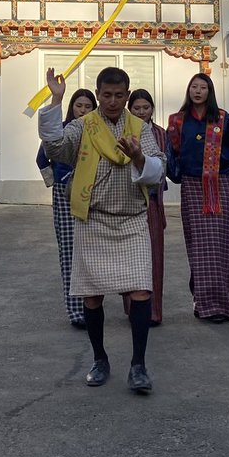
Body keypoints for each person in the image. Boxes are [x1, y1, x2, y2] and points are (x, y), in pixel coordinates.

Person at [38, 66, 165, 394]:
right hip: (92, 220)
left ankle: (138, 365)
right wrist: (56, 99)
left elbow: (159, 169)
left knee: (141, 292)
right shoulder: (84, 125)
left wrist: (139, 157)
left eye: (118, 95)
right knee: (92, 297)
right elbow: (55, 150)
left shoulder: (140, 128)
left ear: (127, 95)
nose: (111, 101)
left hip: (133, 219)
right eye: (106, 95)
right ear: (97, 94)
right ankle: (99, 359)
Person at [166, 73, 229, 323]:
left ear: (210, 91)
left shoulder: (221, 118)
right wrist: (177, 174)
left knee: (218, 247)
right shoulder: (177, 121)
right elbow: (171, 153)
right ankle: (202, 300)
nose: (198, 91)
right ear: (188, 90)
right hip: (192, 188)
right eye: (194, 86)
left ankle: (218, 304)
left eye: (203, 87)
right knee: (198, 246)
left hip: (219, 187)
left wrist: (227, 170)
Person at [36, 87, 97, 328]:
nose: (82, 110)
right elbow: (42, 158)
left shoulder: (96, 131)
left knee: (90, 252)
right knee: (69, 251)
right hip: (64, 194)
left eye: (88, 106)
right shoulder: (59, 130)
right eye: (79, 105)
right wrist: (57, 182)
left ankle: (91, 305)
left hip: (92, 193)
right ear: (72, 106)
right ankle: (75, 311)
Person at [121, 89, 167, 326]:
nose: (141, 112)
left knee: (154, 257)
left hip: (152, 202)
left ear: (152, 109)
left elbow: (165, 166)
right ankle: (133, 310)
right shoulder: (123, 130)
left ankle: (154, 312)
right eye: (136, 108)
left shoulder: (160, 134)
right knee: (130, 260)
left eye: (145, 108)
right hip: (127, 201)